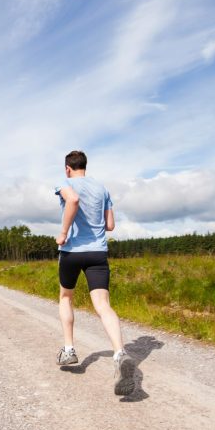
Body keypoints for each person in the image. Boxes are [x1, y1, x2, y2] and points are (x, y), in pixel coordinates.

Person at [54, 150, 136, 396]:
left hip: (71, 252)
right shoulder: (102, 189)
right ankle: (120, 353)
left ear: (68, 168)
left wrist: (63, 232)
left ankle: (69, 350)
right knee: (103, 305)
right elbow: (110, 225)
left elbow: (73, 200)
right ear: (85, 167)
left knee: (66, 297)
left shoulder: (65, 183)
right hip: (98, 253)